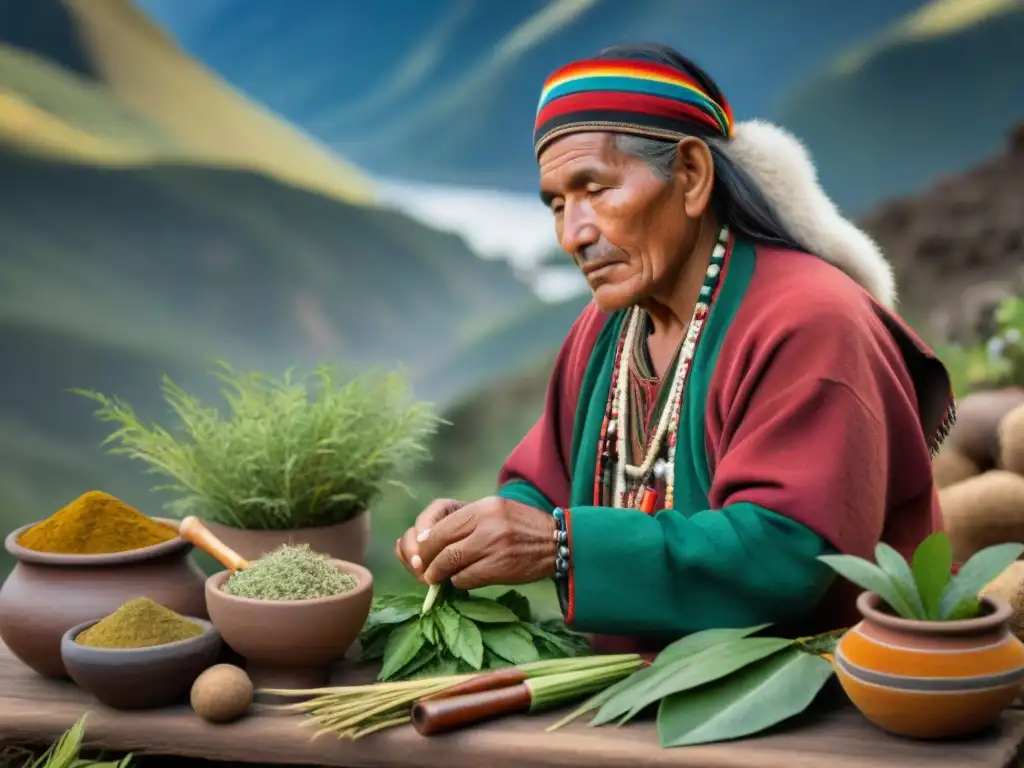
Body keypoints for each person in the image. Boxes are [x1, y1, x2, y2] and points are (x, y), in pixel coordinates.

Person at [395, 43, 955, 652]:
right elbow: (545, 483)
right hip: (648, 688)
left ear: (690, 176)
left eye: (596, 189)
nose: (573, 234)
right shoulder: (607, 326)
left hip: (823, 699)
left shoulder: (812, 323)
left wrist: (557, 544)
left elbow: (785, 553)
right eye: (558, 204)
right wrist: (475, 529)